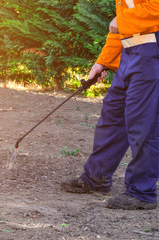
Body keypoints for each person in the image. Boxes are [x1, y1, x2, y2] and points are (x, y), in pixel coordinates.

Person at [61, 0, 159, 210]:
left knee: (143, 124)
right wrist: (103, 61)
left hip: (152, 54)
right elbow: (120, 30)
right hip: (130, 53)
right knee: (112, 116)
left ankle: (142, 192)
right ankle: (96, 177)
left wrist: (121, 20)